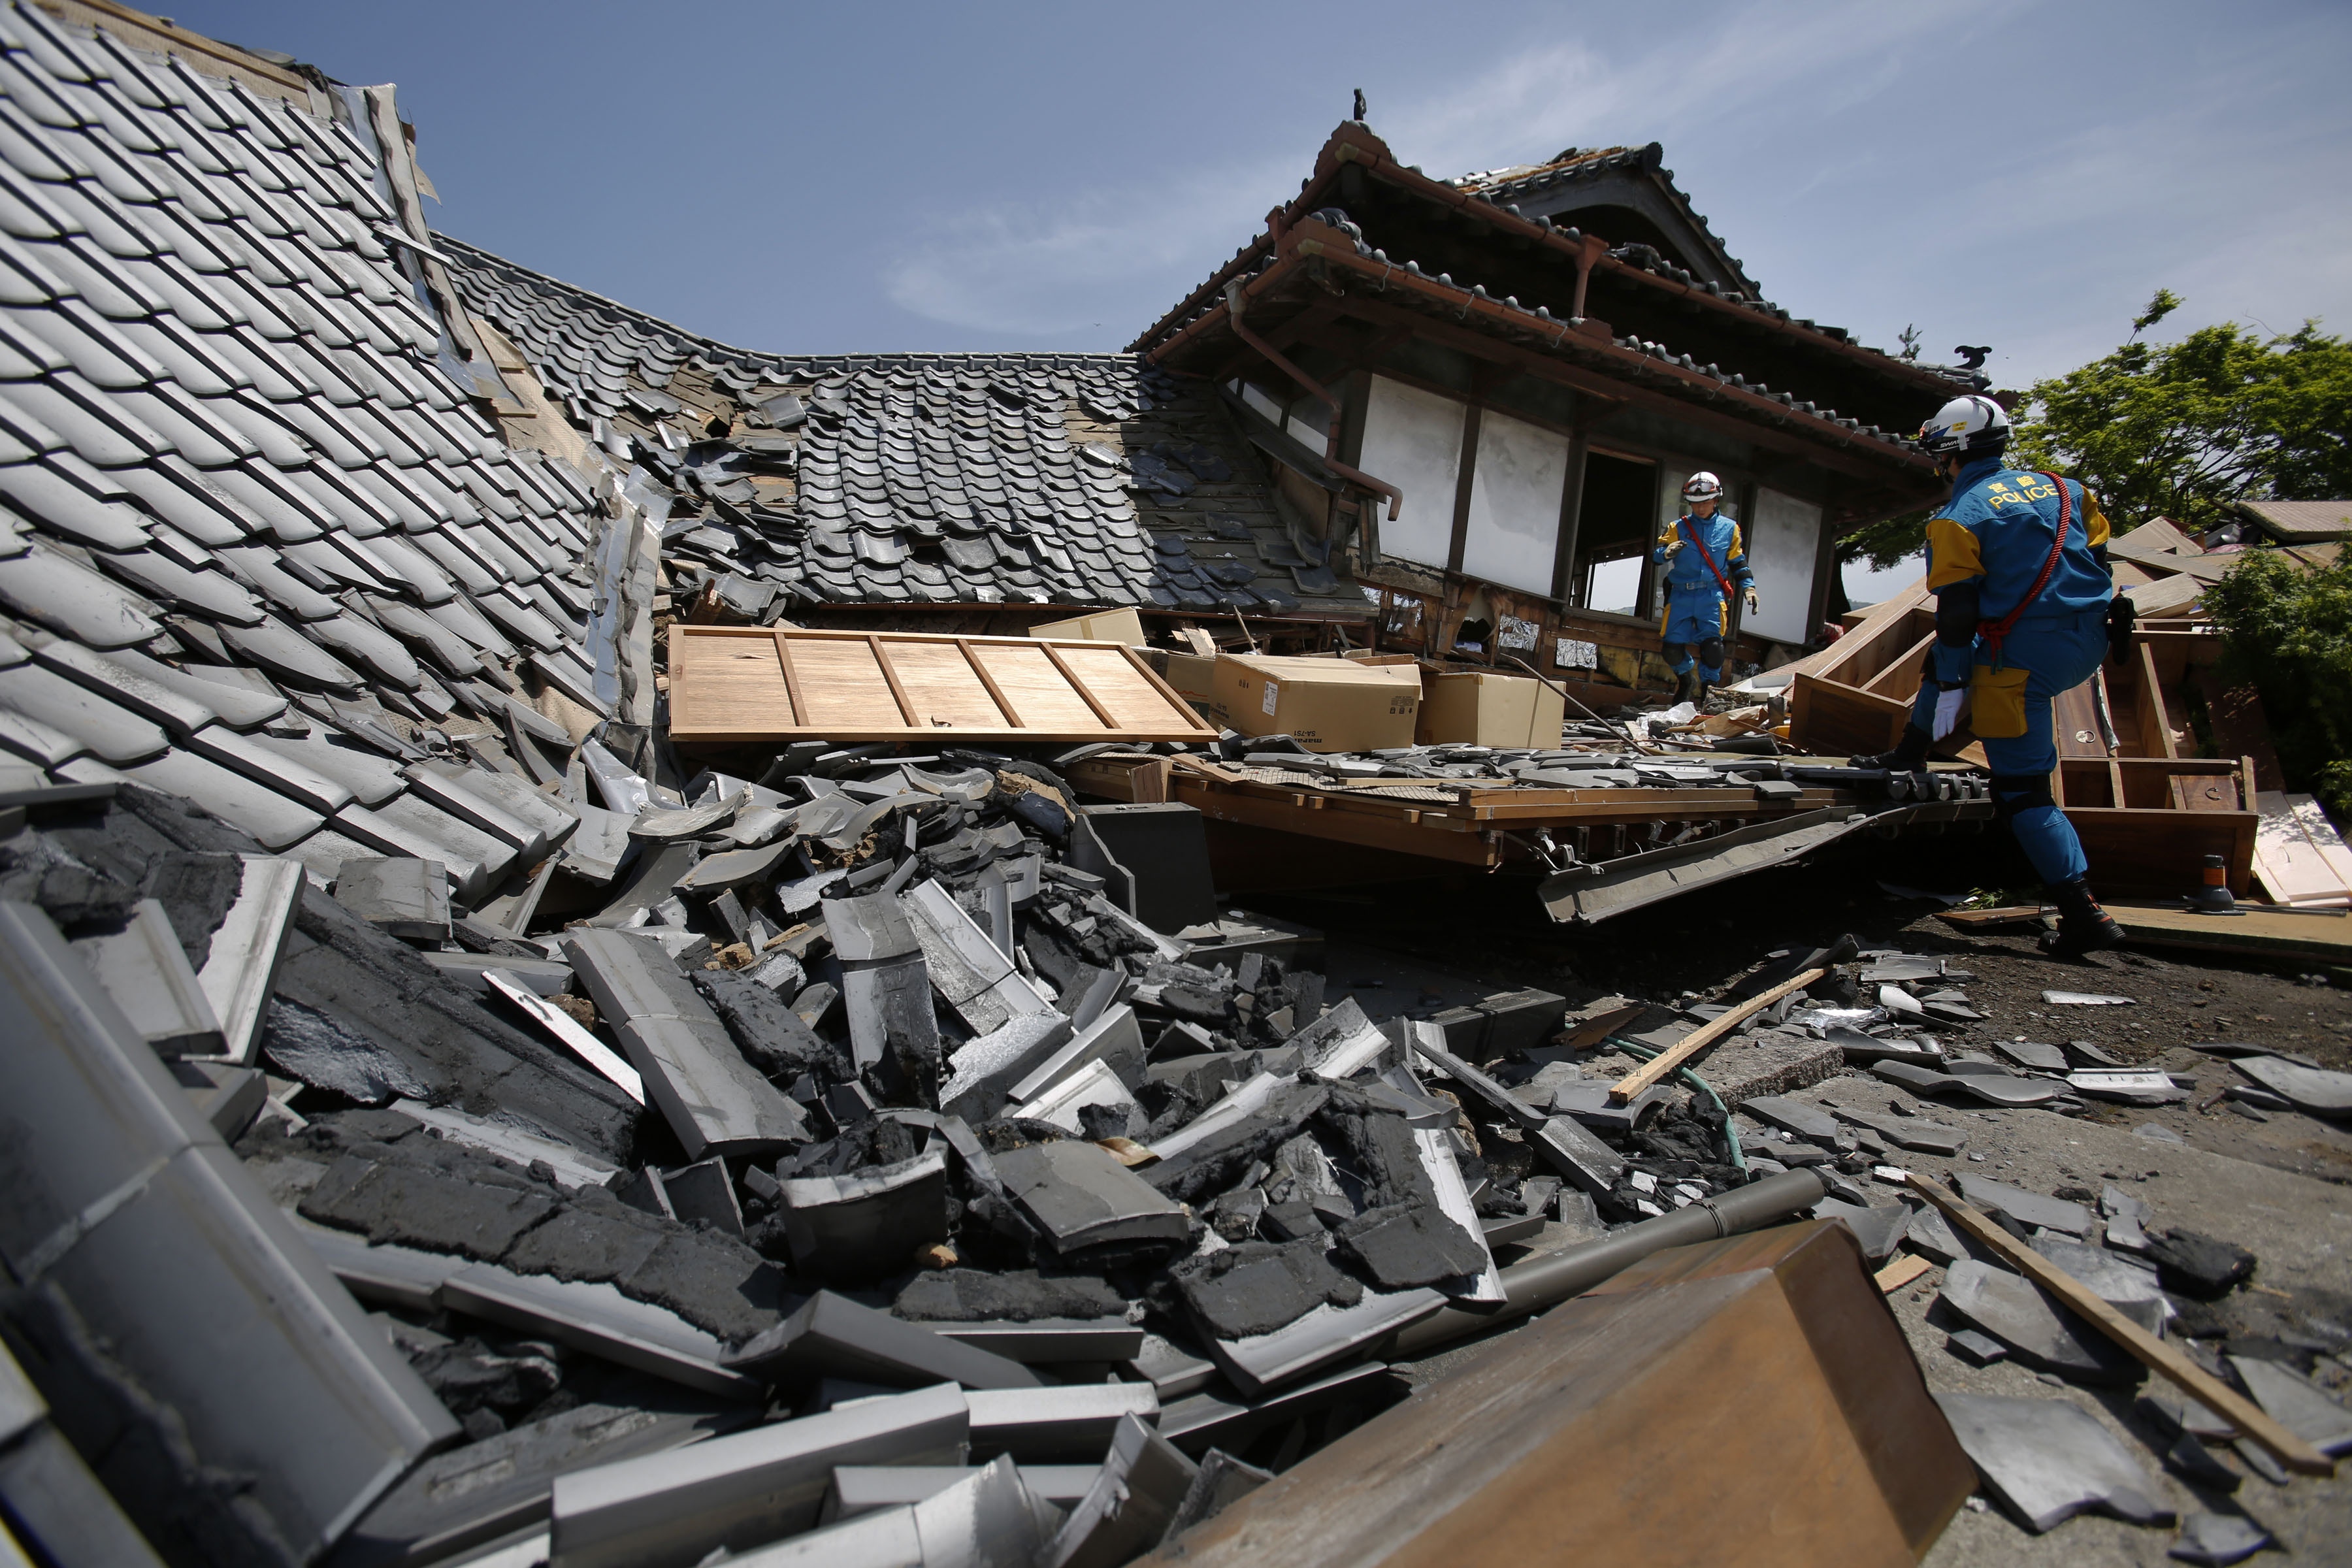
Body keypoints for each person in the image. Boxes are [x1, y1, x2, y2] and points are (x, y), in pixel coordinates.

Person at [1856, 393, 2123, 958]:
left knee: (2022, 790)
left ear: (1946, 454)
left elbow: (1956, 617)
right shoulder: (2065, 487)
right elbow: (2100, 559)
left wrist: (1953, 680)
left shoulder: (1958, 518)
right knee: (1953, 661)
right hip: (2091, 639)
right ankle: (1910, 750)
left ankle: (2083, 912)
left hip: (2024, 660)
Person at [1652, 472, 1757, 705]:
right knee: (1671, 649)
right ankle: (1686, 679)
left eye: (1705, 502)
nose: (1700, 508)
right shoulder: (1677, 527)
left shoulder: (1730, 529)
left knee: (1713, 649)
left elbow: (1738, 561)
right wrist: (1667, 553)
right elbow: (1656, 555)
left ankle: (1709, 693)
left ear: (1716, 500)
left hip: (1711, 595)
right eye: (1695, 503)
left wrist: (1749, 588)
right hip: (1681, 593)